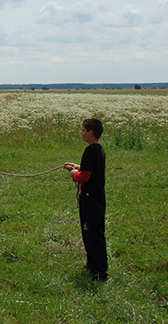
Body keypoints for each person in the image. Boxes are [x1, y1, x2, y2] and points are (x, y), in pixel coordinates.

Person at [63, 118, 108, 281]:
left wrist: (74, 174)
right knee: (91, 233)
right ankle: (92, 265)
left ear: (91, 133)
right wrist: (77, 166)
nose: (81, 133)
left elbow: (84, 177)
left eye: (83, 130)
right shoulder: (98, 150)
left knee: (92, 234)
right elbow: (90, 170)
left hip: (90, 200)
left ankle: (99, 272)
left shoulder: (90, 151)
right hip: (96, 199)